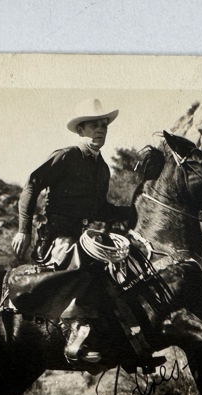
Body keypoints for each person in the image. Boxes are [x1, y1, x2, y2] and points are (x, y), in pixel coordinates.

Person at [9, 99, 135, 364]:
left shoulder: (102, 169)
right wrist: (24, 230)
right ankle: (74, 332)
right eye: (93, 125)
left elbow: (100, 209)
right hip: (54, 236)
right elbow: (32, 186)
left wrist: (132, 211)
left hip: (81, 234)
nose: (100, 130)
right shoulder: (66, 156)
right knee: (83, 256)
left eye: (104, 125)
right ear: (81, 131)